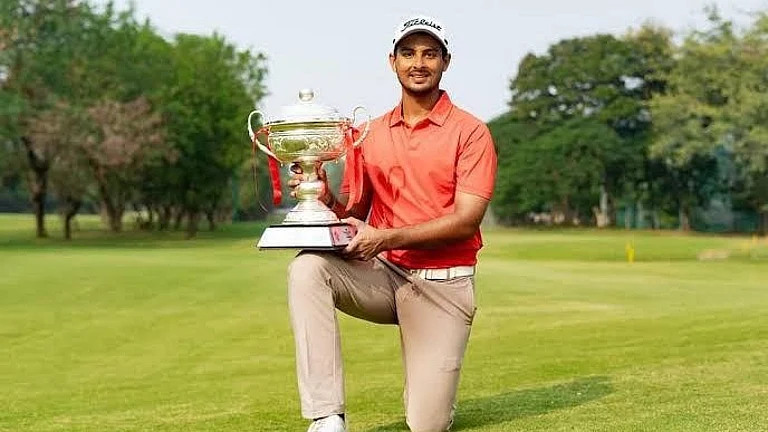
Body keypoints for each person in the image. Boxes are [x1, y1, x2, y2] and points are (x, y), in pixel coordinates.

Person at [285, 14, 498, 432]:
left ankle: (432, 394)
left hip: (443, 286)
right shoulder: (369, 134)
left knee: (427, 424)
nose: (419, 63)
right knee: (307, 268)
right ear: (392, 61)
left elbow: (465, 221)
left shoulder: (471, 133)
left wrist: (383, 238)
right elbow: (353, 213)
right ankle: (327, 416)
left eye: (430, 54)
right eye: (408, 53)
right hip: (382, 277)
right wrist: (323, 197)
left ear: (445, 62)